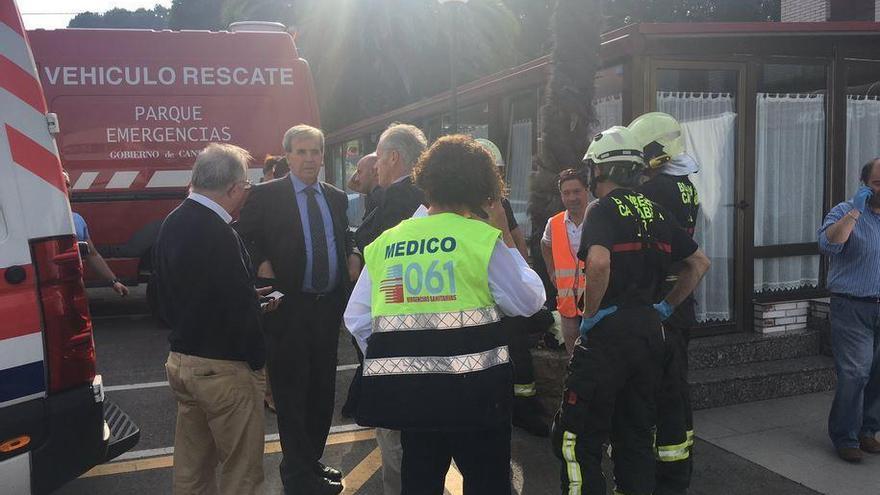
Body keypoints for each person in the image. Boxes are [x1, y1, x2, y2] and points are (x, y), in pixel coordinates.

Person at [344, 135, 546, 495]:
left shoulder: (388, 241)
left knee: (419, 484)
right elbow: (529, 300)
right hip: (478, 399)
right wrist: (504, 235)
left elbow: (358, 319)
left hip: (412, 399)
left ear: (428, 181)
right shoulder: (478, 239)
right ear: (480, 187)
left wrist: (399, 360)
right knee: (488, 485)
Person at [552, 126, 710, 495]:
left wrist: (591, 315)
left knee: (576, 440)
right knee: (635, 434)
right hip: (651, 335)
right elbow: (699, 263)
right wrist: (665, 309)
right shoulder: (656, 211)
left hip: (609, 338)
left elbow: (600, 262)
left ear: (598, 170)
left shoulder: (601, 210)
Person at [236, 125, 358, 495]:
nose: (309, 159)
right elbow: (242, 237)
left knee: (322, 393)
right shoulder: (267, 195)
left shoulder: (336, 198)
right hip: (288, 310)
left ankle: (309, 462)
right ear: (287, 156)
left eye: (315, 152)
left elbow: (345, 233)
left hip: (326, 310)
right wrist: (261, 263)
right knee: (291, 394)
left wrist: (353, 253)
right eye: (301, 152)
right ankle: (298, 477)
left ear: (323, 155)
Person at [150, 143, 277, 495]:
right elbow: (238, 311)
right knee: (242, 472)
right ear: (233, 188)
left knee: (192, 468)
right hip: (225, 369)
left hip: (182, 361)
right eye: (246, 188)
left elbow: (165, 296)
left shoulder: (172, 222)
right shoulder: (221, 233)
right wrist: (258, 363)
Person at [630, 111, 701, 493]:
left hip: (663, 298)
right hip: (680, 299)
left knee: (665, 389)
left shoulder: (656, 190)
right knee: (676, 385)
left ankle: (670, 474)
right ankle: (678, 462)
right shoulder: (685, 182)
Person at [477, 138, 549, 437]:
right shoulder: (466, 205)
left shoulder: (500, 202)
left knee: (517, 350)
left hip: (504, 288)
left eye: (499, 171)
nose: (498, 177)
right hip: (483, 292)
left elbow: (516, 237)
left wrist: (523, 270)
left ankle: (523, 408)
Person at [818, 158, 880, 463]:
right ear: (864, 185)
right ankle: (845, 436)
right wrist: (856, 210)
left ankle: (868, 431)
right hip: (852, 306)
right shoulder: (845, 211)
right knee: (855, 373)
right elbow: (829, 245)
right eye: (878, 183)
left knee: (878, 374)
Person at [540, 168, 591, 355]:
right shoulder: (554, 223)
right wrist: (552, 271)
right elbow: (545, 245)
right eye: (566, 193)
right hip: (568, 300)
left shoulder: (598, 218)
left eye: (576, 191)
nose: (571, 198)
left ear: (587, 190)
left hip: (597, 299)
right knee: (573, 357)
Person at [63, 171, 129, 297]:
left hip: (75, 287)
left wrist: (114, 282)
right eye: (61, 184)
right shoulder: (39, 221)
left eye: (68, 184)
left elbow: (92, 254)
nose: (66, 188)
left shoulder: (77, 219)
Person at [347, 152, 384, 217]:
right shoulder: (373, 193)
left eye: (360, 172)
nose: (356, 179)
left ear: (375, 171)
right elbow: (351, 184)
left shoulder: (379, 199)